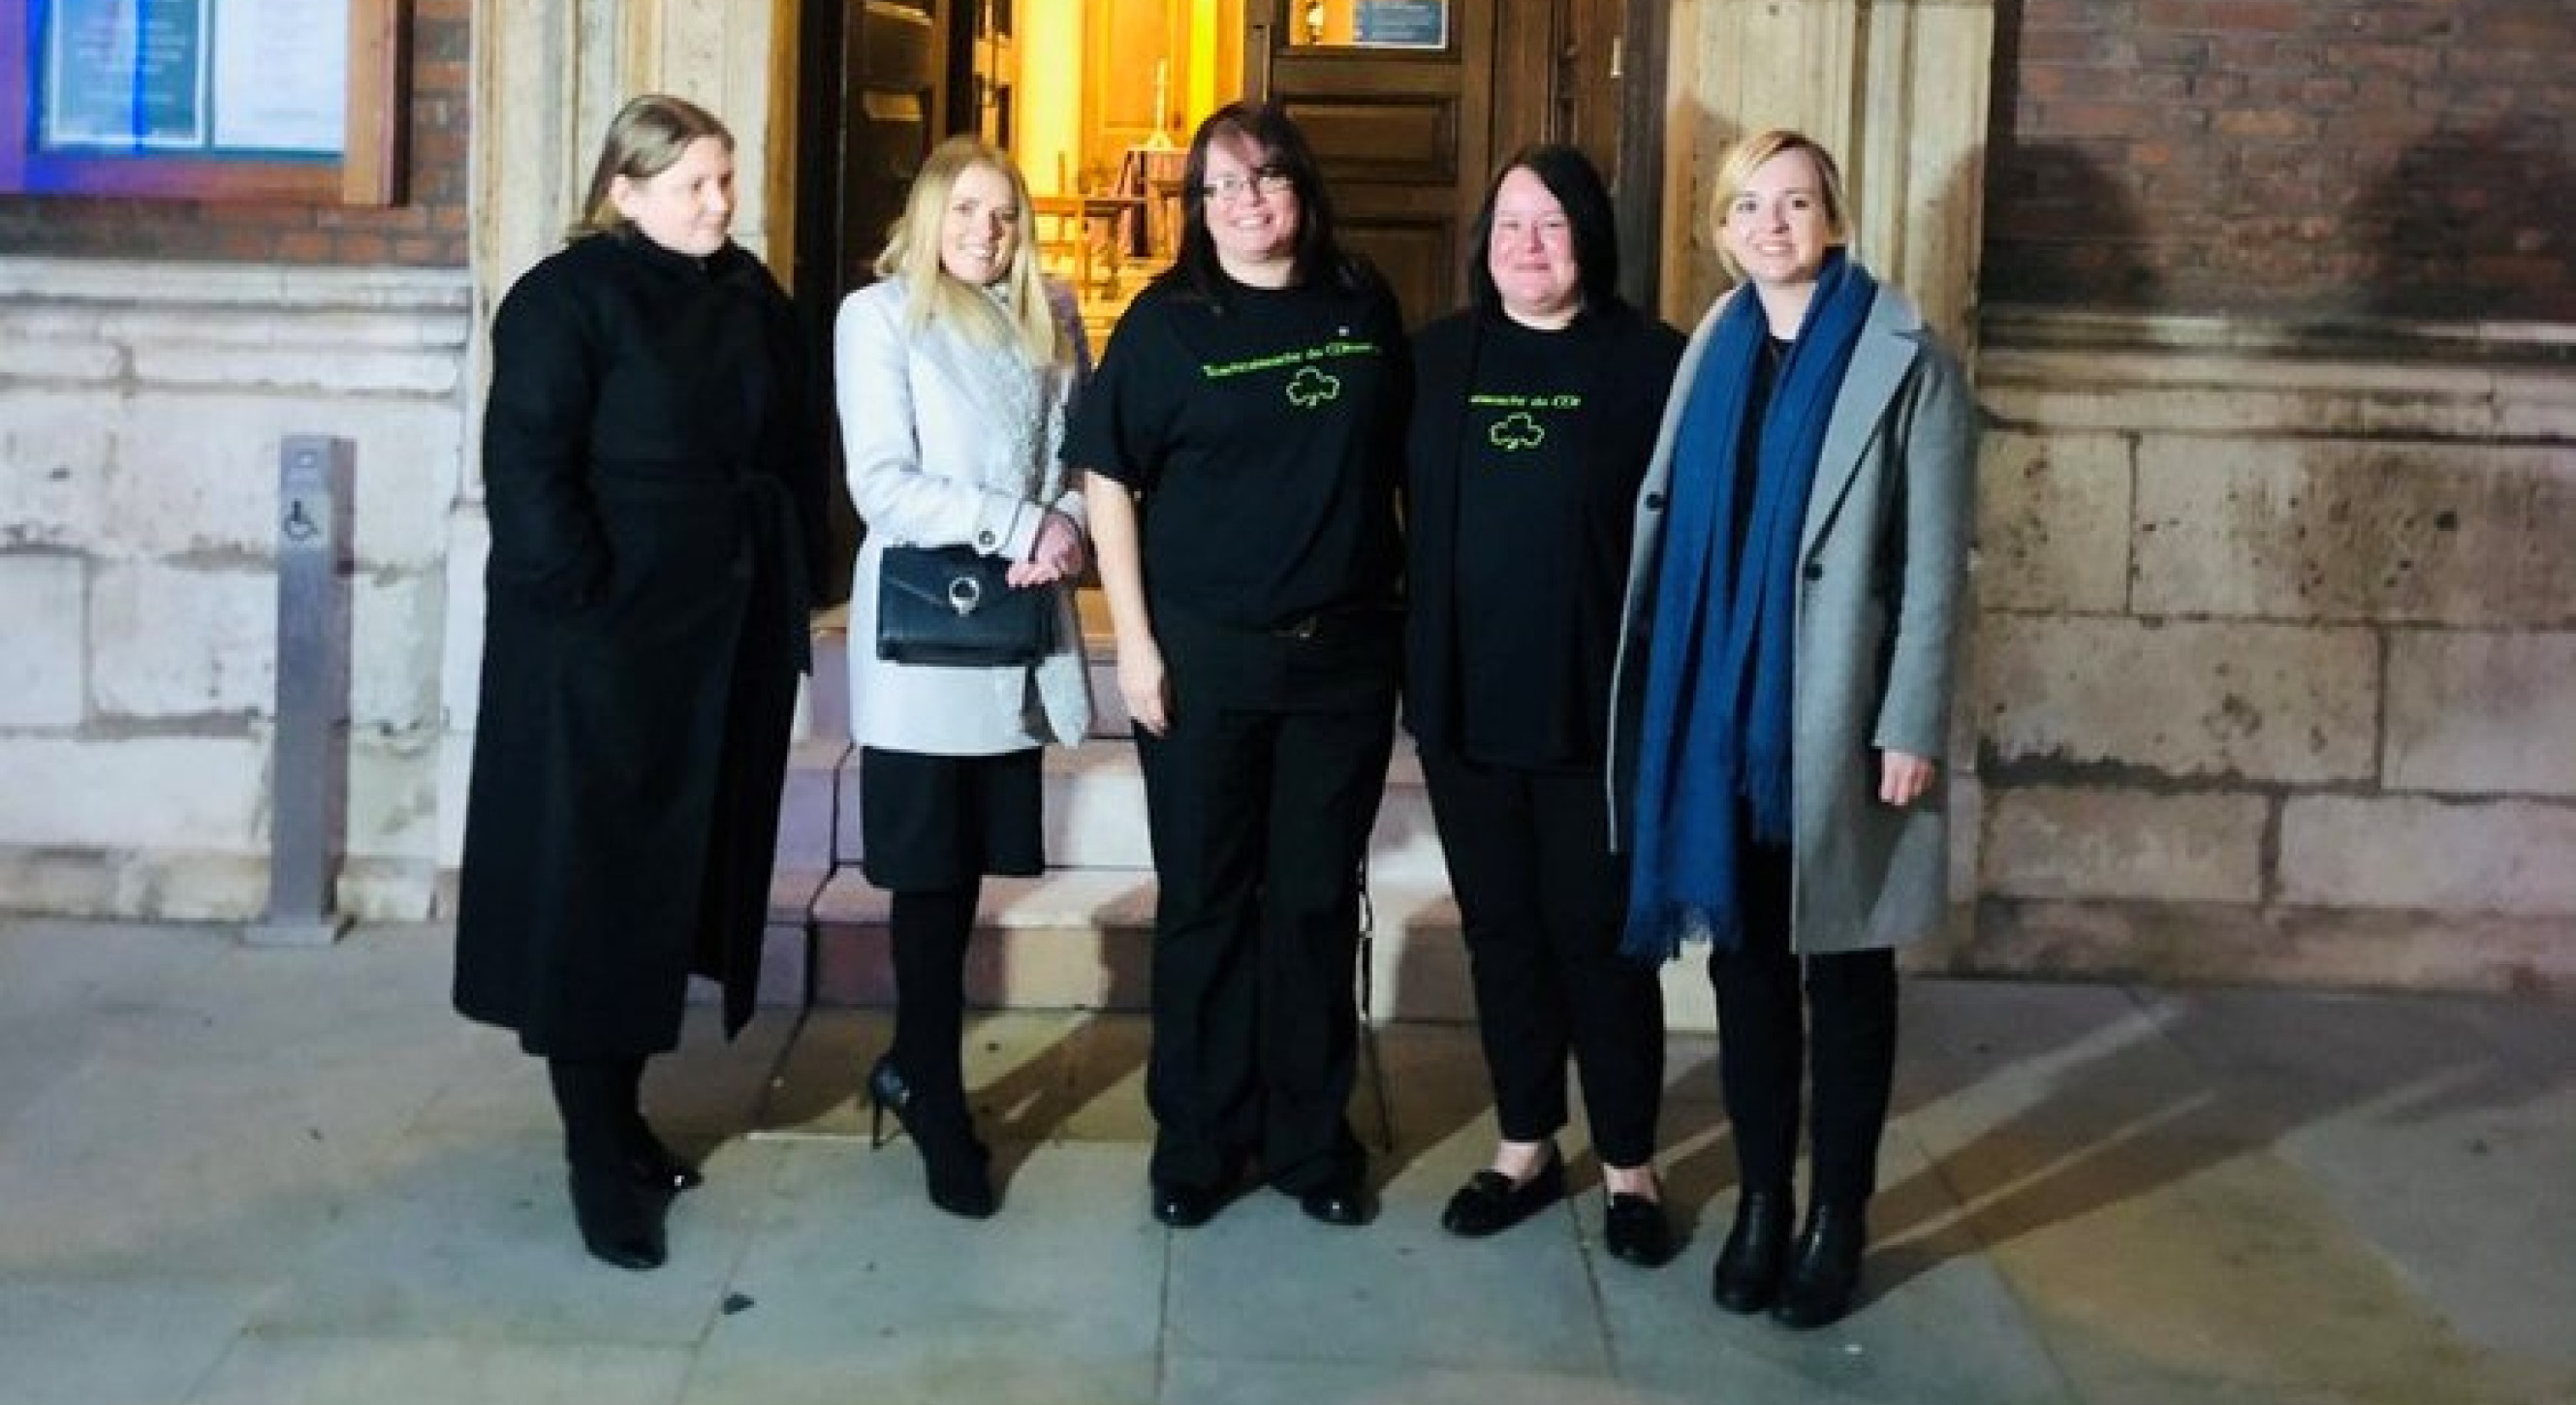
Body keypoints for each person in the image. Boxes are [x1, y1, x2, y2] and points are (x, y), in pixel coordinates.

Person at [454, 94, 827, 1272]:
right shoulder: (565, 300)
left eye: (725, 181)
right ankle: (592, 1148)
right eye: (694, 187)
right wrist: (588, 603)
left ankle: (623, 1115)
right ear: (622, 190)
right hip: (600, 652)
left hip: (717, 639)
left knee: (671, 884)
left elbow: (785, 438)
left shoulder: (745, 289)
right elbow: (527, 462)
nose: (720, 204)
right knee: (594, 893)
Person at [1610, 129, 1974, 1328]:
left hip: (1837, 717)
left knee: (1849, 968)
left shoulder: (1906, 357)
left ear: (1836, 216)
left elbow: (1934, 564)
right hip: (1720, 707)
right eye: (1750, 206)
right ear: (1722, 230)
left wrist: (1909, 717)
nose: (1773, 224)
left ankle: (1838, 1219)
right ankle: (1764, 1201)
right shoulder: (1713, 344)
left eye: (1798, 201)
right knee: (1749, 963)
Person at [1070, 102, 1407, 1231]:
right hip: (1205, 663)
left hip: (1342, 663)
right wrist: (1136, 644)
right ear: (1195, 208)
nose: (1243, 204)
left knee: (1313, 902)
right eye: (1218, 189)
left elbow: (1403, 460)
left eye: (1263, 180)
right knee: (1207, 902)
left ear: (1301, 190)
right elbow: (1106, 476)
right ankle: (1199, 1138)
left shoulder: (1363, 301)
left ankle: (1311, 1138)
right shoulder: (1168, 327)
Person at [1403, 146, 1684, 1264]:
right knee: (1502, 933)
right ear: (1483, 240)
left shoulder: (1655, 365)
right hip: (1467, 704)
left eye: (1554, 226)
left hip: (1596, 709)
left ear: (1590, 239)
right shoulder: (1431, 361)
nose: (1529, 246)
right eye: (1511, 224)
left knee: (1603, 939)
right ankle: (1525, 1142)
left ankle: (1631, 1162)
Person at [835, 136, 1091, 1219]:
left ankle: (911, 1061)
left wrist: (1068, 525)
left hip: (1015, 626)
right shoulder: (882, 315)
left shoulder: (1052, 315)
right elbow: (883, 484)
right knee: (927, 875)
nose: (987, 231)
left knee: (971, 869)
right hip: (922, 640)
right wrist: (1016, 520)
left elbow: (1083, 459)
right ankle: (935, 1094)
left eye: (1005, 214)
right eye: (967, 210)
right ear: (930, 215)